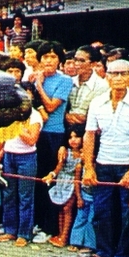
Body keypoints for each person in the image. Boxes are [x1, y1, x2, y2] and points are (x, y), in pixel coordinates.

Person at [82, 59, 129, 257]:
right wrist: (89, 167)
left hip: (128, 166)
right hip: (103, 164)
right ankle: (104, 251)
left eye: (123, 74)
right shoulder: (97, 103)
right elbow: (89, 135)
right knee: (102, 211)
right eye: (113, 74)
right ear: (106, 76)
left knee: (127, 215)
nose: (118, 78)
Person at [32, 42, 73, 239]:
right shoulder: (32, 78)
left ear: (59, 60)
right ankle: (36, 223)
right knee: (36, 179)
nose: (49, 61)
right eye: (45, 57)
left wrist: (39, 85)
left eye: (53, 57)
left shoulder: (64, 81)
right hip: (35, 132)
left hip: (54, 134)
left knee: (50, 179)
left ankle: (50, 228)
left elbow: (50, 107)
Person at [0, 83, 43, 247]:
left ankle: (24, 233)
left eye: (26, 93)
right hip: (9, 156)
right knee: (8, 194)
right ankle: (10, 230)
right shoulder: (9, 113)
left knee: (25, 197)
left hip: (26, 158)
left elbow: (31, 140)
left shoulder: (35, 116)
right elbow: (3, 138)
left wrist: (18, 124)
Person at [42, 125, 85, 247]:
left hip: (73, 183)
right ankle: (60, 235)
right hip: (62, 181)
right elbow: (58, 167)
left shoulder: (84, 155)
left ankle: (65, 237)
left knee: (67, 209)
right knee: (61, 207)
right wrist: (52, 175)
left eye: (77, 137)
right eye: (70, 137)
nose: (73, 140)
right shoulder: (66, 152)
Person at [65, 45, 109, 127]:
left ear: (93, 64)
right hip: (67, 127)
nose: (76, 64)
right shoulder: (69, 81)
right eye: (75, 60)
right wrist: (66, 116)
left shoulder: (102, 86)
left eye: (82, 61)